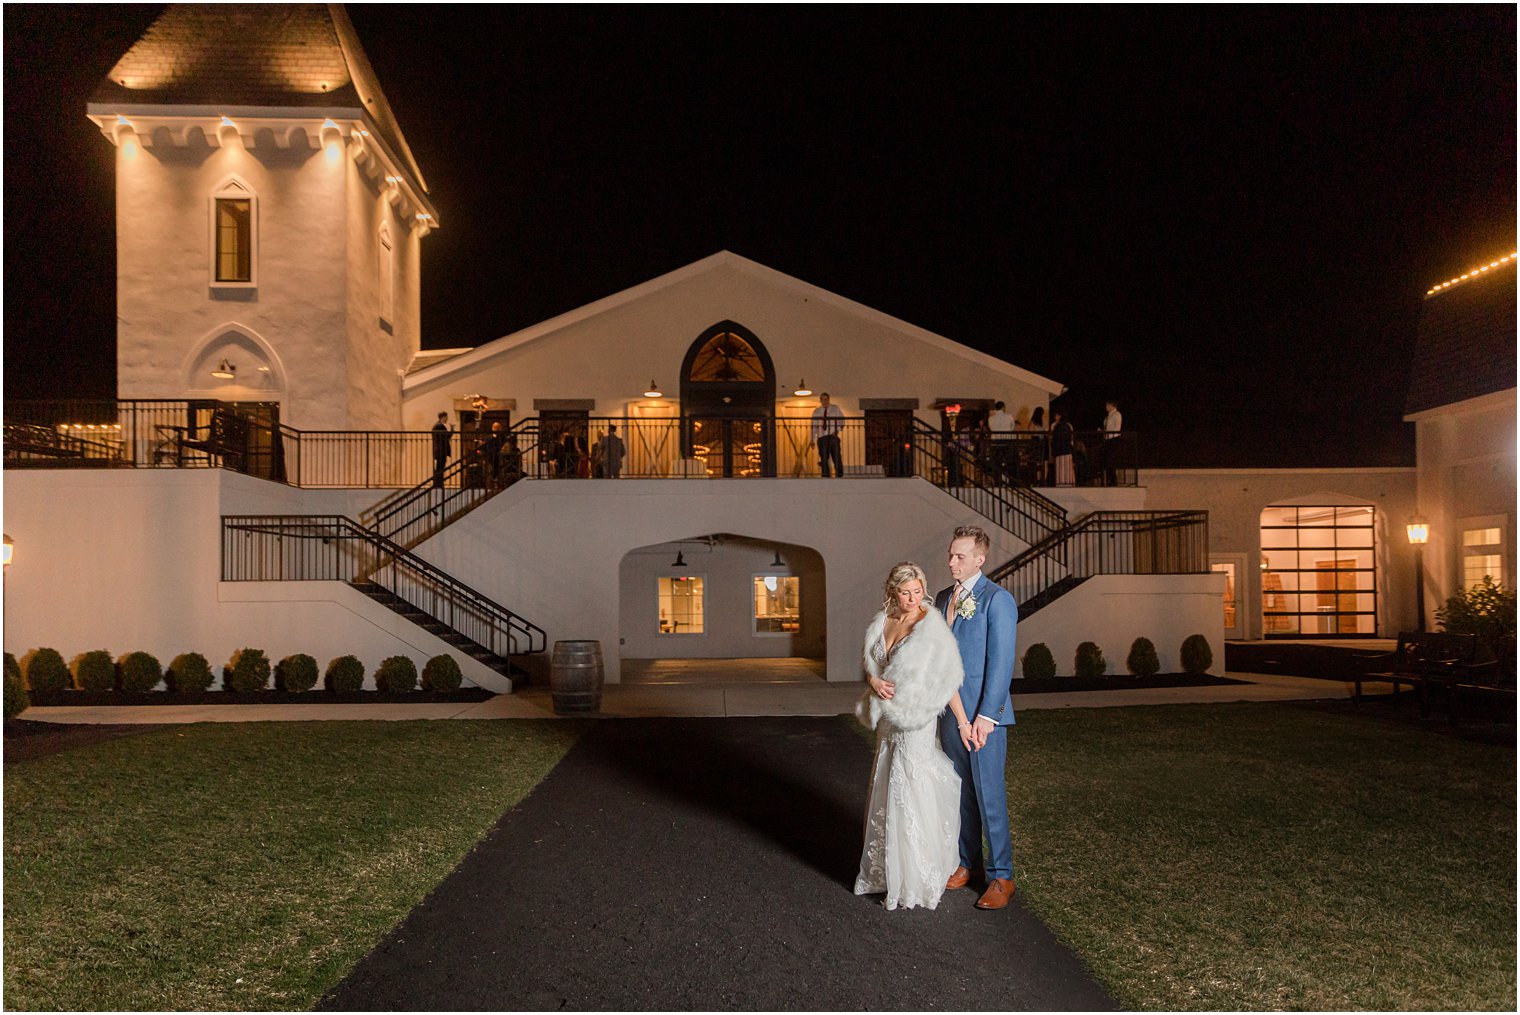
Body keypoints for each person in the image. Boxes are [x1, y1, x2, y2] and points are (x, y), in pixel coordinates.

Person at [854, 561, 971, 911]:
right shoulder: (883, 621)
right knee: (887, 783)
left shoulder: (930, 627)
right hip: (889, 720)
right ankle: (887, 871)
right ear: (894, 592)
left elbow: (950, 678)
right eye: (906, 592)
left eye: (918, 591)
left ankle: (915, 875)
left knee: (911, 785)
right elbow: (872, 665)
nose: (913, 598)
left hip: (917, 720)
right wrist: (874, 682)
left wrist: (964, 723)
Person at [934, 525, 1018, 910]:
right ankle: (967, 864)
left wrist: (988, 716)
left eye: (960, 556)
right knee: (960, 794)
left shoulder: (996, 600)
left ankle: (1001, 876)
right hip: (951, 716)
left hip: (984, 719)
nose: (952, 561)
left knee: (989, 796)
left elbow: (1000, 665)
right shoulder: (941, 598)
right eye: (951, 554)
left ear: (979, 560)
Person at [811, 392, 845, 477]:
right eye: (823, 399)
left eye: (826, 399)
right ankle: (825, 476)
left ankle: (839, 475)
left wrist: (837, 429)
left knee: (836, 457)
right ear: (820, 400)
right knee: (824, 459)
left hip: (832, 436)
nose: (825, 401)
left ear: (829, 400)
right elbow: (814, 427)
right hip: (821, 437)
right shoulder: (816, 411)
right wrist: (812, 440)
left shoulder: (835, 408)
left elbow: (842, 420)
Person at [987, 400, 1014, 484]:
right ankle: (1006, 479)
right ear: (1003, 407)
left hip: (995, 441)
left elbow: (991, 428)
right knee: (1006, 461)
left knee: (996, 461)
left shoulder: (991, 418)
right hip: (1006, 440)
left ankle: (997, 480)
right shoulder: (1009, 416)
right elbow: (1012, 427)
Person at [1051, 408, 1075, 486]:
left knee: (1061, 470)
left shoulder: (1058, 426)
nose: (1055, 417)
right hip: (1067, 450)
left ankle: (1061, 484)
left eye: (1056, 415)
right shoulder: (1068, 426)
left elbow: (1057, 439)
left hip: (1060, 451)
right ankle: (1068, 484)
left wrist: (1054, 450)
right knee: (1067, 470)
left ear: (1060, 416)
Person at [1102, 399, 1123, 486]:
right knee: (1107, 461)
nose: (1106, 407)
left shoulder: (1117, 414)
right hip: (1108, 440)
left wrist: (1108, 435)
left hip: (1113, 440)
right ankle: (1109, 481)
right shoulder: (1108, 416)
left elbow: (1116, 429)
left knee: (1111, 461)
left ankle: (1113, 482)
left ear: (1111, 405)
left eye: (1107, 405)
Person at [431, 411, 451, 489]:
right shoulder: (439, 426)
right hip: (441, 450)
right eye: (446, 417)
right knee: (440, 466)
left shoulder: (437, 426)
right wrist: (452, 429)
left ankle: (438, 482)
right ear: (442, 417)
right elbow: (446, 437)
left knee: (440, 466)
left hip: (439, 449)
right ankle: (438, 483)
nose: (447, 419)